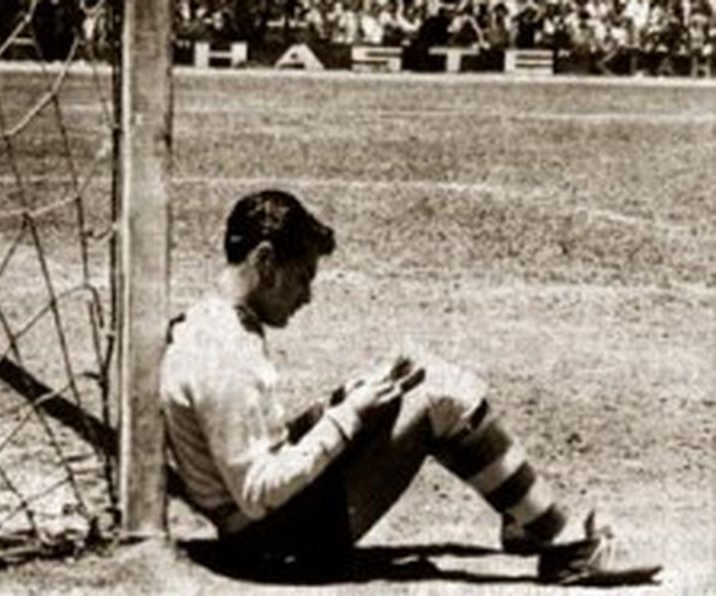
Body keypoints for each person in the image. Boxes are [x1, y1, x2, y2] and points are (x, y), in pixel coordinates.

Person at [160, 189, 663, 586]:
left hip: (264, 530)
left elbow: (250, 451)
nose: (307, 296)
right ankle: (566, 548)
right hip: (275, 547)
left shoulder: (211, 325)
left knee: (409, 379)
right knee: (439, 396)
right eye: (302, 278)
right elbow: (258, 492)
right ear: (266, 262)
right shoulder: (225, 355)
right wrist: (346, 417)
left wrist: (346, 401)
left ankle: (523, 518)